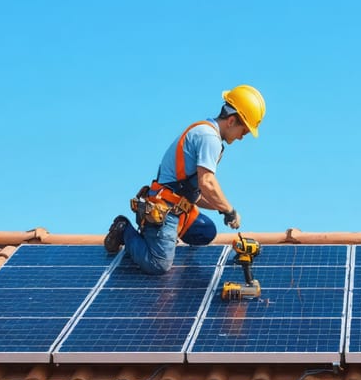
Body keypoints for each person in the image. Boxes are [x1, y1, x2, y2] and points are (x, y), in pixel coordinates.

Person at [103, 84, 265, 274]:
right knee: (159, 265)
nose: (241, 137)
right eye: (243, 131)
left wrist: (220, 209)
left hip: (177, 206)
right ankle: (125, 230)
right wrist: (229, 210)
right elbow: (207, 183)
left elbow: (196, 193)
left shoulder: (208, 135)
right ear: (231, 121)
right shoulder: (209, 138)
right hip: (164, 208)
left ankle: (162, 239)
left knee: (206, 232)